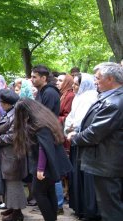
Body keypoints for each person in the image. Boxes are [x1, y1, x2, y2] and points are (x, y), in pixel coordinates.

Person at [67, 62, 123, 221]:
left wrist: (75, 137)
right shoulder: (111, 98)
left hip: (107, 163)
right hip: (107, 161)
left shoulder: (114, 102)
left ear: (110, 79)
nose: (95, 82)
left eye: (98, 78)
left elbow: (94, 133)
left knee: (110, 208)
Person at [14, 99, 72, 221]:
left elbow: (43, 147)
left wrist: (40, 169)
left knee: (39, 193)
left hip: (45, 166)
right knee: (49, 191)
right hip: (50, 163)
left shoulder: (38, 124)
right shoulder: (44, 118)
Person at [64, 73, 99, 220]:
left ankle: (86, 209)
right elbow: (70, 118)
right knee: (76, 175)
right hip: (75, 138)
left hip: (83, 141)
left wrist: (73, 128)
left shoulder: (90, 98)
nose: (74, 87)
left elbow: (82, 120)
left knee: (84, 177)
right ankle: (79, 207)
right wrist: (69, 127)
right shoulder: (78, 97)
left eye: (77, 84)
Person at [0, 89, 27, 221]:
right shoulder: (10, 112)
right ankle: (12, 207)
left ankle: (17, 213)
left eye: (1, 102)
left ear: (6, 103)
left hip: (12, 154)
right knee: (8, 182)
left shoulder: (16, 115)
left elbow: (13, 137)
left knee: (14, 182)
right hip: (7, 154)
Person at [31, 65, 63, 213]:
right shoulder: (42, 92)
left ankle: (53, 211)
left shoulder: (49, 93)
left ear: (43, 78)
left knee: (45, 183)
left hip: (47, 139)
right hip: (42, 138)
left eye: (34, 77)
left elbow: (44, 118)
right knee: (47, 183)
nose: (32, 79)